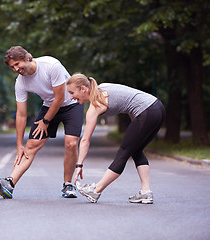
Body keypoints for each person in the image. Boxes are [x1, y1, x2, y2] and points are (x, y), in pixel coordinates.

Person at [0, 46, 84, 199]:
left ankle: (68, 184)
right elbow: (21, 114)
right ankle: (9, 183)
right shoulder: (20, 82)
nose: (15, 69)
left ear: (27, 58)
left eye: (17, 64)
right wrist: (19, 145)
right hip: (49, 106)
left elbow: (59, 98)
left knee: (71, 143)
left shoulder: (51, 66)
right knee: (31, 145)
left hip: (71, 105)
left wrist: (45, 121)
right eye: (12, 67)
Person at [66, 73, 166, 204]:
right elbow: (129, 101)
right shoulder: (103, 87)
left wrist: (79, 165)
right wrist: (137, 126)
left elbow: (85, 140)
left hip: (147, 111)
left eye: (72, 92)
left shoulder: (95, 106)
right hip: (158, 108)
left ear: (83, 89)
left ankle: (96, 190)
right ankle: (145, 192)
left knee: (123, 152)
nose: (71, 97)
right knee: (136, 150)